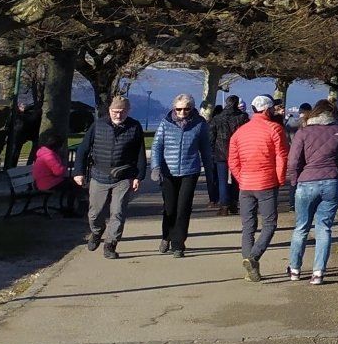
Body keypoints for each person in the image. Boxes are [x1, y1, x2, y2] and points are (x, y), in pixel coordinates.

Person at [286, 99, 338, 285]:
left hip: (306, 182)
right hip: (332, 182)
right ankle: (318, 273)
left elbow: (293, 162)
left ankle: (294, 269)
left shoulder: (303, 132)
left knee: (301, 227)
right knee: (324, 228)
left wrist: (294, 180)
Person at [74, 95, 146, 257]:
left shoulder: (134, 127)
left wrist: (138, 176)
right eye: (115, 111)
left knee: (118, 212)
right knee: (95, 212)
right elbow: (83, 149)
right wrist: (78, 172)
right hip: (99, 175)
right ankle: (97, 232)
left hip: (123, 176)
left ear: (128, 111)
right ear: (109, 110)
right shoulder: (98, 125)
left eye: (121, 112)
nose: (118, 115)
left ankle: (111, 244)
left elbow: (140, 153)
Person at [228, 94, 288, 281]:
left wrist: (241, 178)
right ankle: (253, 257)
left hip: (245, 184)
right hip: (267, 183)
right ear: (268, 110)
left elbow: (233, 161)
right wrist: (280, 179)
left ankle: (250, 265)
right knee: (269, 224)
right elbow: (281, 156)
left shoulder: (240, 132)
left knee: (248, 226)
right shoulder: (275, 129)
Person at [150, 95, 211, 258]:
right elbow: (156, 146)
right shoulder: (165, 123)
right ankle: (166, 236)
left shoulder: (200, 124)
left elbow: (205, 149)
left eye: (186, 108)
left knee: (183, 208)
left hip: (189, 171)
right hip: (168, 172)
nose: (182, 112)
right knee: (170, 207)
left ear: (192, 108)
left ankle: (178, 244)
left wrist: (211, 173)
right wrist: (155, 167)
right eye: (179, 109)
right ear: (173, 108)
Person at [206, 94, 245, 210]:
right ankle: (234, 201)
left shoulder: (217, 118)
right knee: (236, 178)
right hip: (237, 151)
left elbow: (211, 137)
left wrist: (211, 151)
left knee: (221, 179)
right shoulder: (242, 117)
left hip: (220, 151)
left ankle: (224, 204)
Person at [31, 132, 77, 215]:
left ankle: (69, 207)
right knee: (73, 185)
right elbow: (58, 171)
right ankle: (70, 209)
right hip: (46, 183)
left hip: (43, 181)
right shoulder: (49, 156)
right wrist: (65, 167)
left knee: (71, 184)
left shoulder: (44, 153)